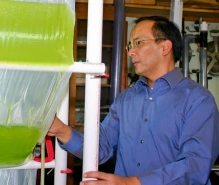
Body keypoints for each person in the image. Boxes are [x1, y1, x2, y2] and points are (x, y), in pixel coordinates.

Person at [48, 16, 219, 185]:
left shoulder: (198, 100)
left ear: (165, 47)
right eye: (130, 45)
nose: (130, 51)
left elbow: (195, 166)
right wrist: (61, 130)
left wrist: (132, 183)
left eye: (138, 43)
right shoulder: (125, 99)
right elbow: (100, 147)